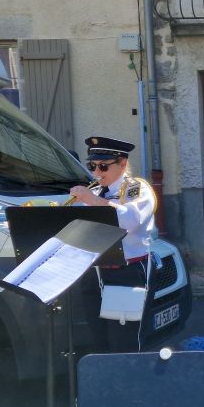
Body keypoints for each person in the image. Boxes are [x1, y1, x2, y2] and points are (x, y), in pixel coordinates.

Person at [69, 136, 158, 353]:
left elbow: (130, 220)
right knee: (99, 340)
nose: (97, 172)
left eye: (103, 166)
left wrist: (93, 201)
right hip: (95, 271)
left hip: (126, 272)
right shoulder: (96, 191)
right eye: (92, 166)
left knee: (124, 342)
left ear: (123, 164)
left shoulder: (137, 189)